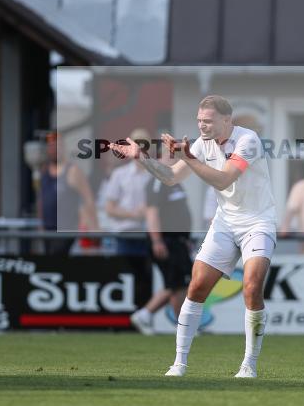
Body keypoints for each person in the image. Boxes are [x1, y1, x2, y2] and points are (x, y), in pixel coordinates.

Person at [110, 95, 275, 378]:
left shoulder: (248, 140)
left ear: (227, 120)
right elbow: (171, 176)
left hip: (258, 222)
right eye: (199, 121)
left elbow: (223, 179)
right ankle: (179, 364)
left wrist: (189, 157)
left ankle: (249, 364)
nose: (202, 126)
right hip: (225, 222)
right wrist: (141, 157)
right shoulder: (200, 145)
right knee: (196, 286)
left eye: (208, 121)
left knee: (251, 287)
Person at [130, 151, 194, 335]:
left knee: (177, 283)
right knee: (178, 283)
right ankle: (176, 324)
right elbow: (152, 213)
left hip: (178, 241)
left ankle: (146, 315)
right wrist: (157, 240)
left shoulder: (172, 182)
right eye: (169, 156)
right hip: (166, 240)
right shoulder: (158, 181)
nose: (174, 160)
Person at [37, 132, 97, 256]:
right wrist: (40, 223)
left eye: (57, 146)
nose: (54, 149)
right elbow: (41, 199)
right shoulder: (44, 171)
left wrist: (90, 225)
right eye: (51, 146)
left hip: (67, 231)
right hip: (48, 231)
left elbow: (88, 199)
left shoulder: (73, 171)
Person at [105, 128, 152, 256]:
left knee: (147, 275)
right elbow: (109, 209)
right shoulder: (119, 174)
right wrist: (133, 214)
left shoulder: (156, 175)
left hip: (150, 235)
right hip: (125, 235)